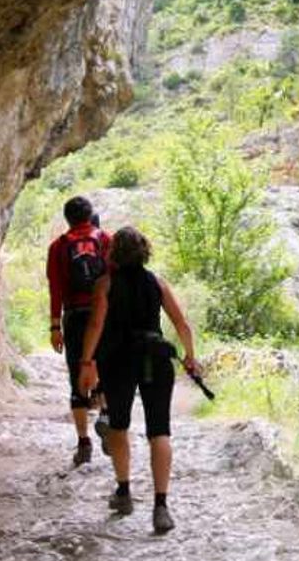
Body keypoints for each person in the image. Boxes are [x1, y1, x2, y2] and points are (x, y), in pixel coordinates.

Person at [78, 226, 199, 534]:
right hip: (156, 360)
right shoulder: (157, 283)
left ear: (114, 252)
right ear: (144, 251)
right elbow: (182, 324)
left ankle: (124, 491)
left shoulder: (105, 284)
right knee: (160, 431)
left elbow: (95, 324)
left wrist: (87, 363)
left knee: (118, 426)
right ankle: (161, 506)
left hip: (118, 361)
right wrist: (189, 357)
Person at [46, 195, 111, 466]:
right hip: (102, 312)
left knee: (76, 375)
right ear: (89, 215)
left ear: (68, 218)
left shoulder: (58, 247)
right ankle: (106, 414)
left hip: (73, 315)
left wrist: (54, 326)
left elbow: (56, 288)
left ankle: (83, 443)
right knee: (104, 366)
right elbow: (113, 278)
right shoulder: (106, 239)